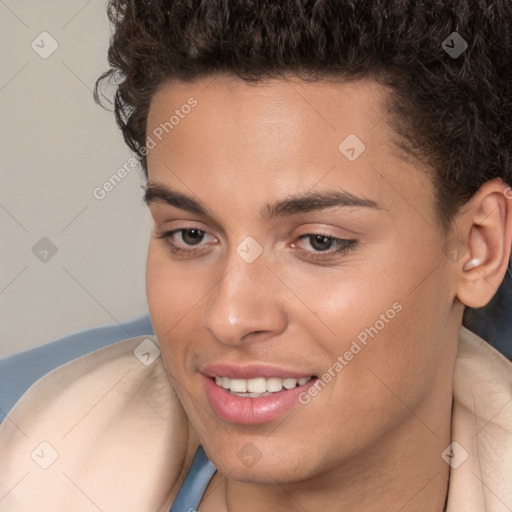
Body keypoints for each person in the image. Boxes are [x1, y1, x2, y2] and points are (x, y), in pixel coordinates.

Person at [1, 1, 512, 510]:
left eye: (319, 241)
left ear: (479, 248)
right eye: (191, 236)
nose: (229, 317)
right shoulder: (21, 440)